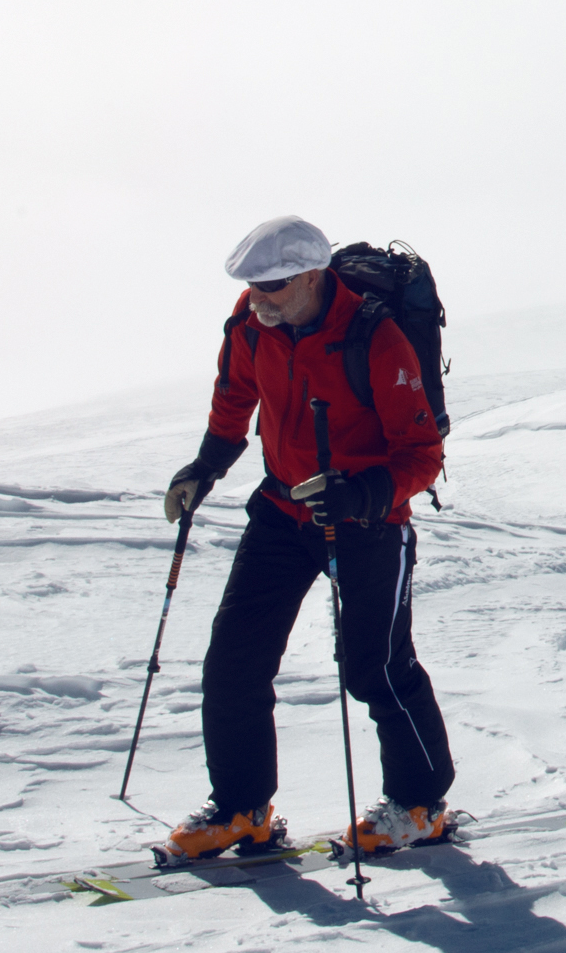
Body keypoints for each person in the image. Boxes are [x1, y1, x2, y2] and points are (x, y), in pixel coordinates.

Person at [153, 214, 457, 859]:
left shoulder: (374, 338)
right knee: (234, 661)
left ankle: (421, 804)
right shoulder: (251, 319)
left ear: (313, 276)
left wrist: (362, 494)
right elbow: (234, 395)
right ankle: (243, 810)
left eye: (274, 285)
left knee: (375, 669)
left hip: (370, 524)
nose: (259, 296)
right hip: (282, 511)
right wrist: (206, 466)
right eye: (252, 284)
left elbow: (422, 453)